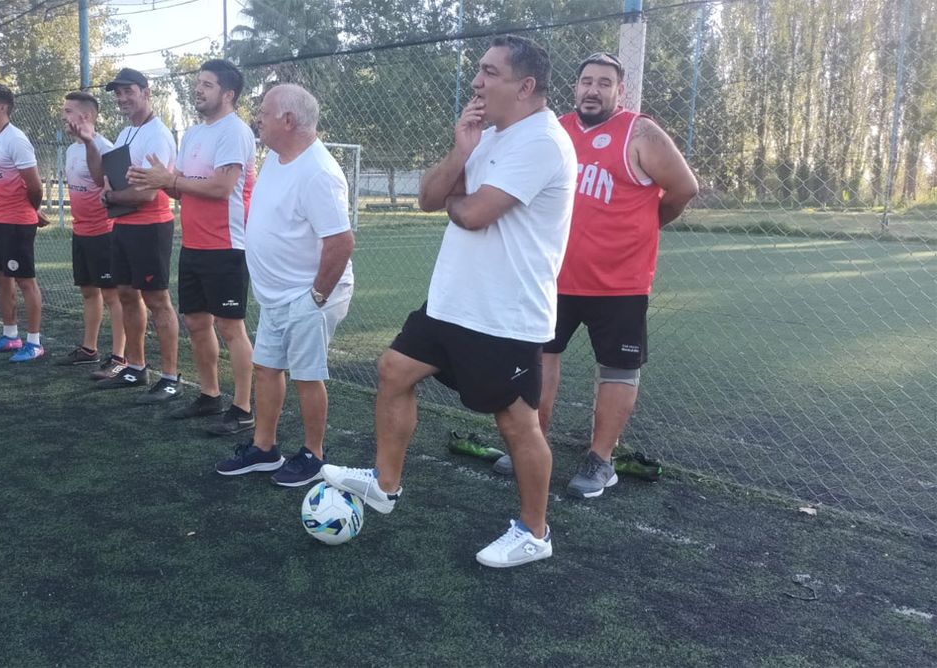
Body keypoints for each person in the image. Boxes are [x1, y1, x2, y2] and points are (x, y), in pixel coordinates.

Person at [320, 36, 577, 568]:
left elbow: (473, 213)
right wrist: (462, 149)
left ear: (525, 86)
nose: (477, 82)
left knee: (516, 422)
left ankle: (534, 532)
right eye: (478, 71)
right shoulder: (488, 136)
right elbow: (429, 198)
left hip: (504, 313)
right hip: (452, 301)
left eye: (489, 72)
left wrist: (456, 195)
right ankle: (384, 486)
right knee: (393, 369)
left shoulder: (542, 141)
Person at [494, 52, 699, 499]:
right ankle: (533, 443)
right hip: (554, 276)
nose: (593, 90)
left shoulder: (640, 133)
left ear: (619, 91)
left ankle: (601, 460)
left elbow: (684, 188)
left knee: (618, 370)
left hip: (620, 284)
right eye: (586, 81)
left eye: (604, 83)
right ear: (575, 87)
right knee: (539, 359)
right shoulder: (555, 129)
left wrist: (646, 226)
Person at [213, 84, 355, 487]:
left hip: (309, 295)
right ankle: (264, 449)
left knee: (307, 374)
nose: (257, 117)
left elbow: (341, 242)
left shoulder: (319, 172)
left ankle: (313, 454)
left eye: (264, 111)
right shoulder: (276, 158)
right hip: (277, 296)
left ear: (288, 120)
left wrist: (316, 298)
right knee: (267, 367)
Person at [128, 59, 256, 432]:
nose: (198, 90)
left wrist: (170, 180)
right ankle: (210, 396)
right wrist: (154, 179)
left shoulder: (234, 132)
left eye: (208, 85)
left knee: (231, 328)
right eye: (198, 83)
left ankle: (243, 408)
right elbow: (178, 186)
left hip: (227, 245)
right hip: (195, 244)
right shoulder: (195, 134)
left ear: (228, 94)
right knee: (197, 323)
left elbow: (220, 188)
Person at [83, 68, 182, 401]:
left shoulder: (158, 134)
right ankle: (136, 367)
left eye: (129, 92)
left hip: (151, 227)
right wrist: (88, 141)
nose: (123, 98)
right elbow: (101, 178)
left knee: (157, 300)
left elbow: (147, 194)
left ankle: (170, 377)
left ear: (146, 92)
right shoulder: (126, 133)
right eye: (118, 93)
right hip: (123, 226)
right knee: (126, 294)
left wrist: (110, 197)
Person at [0, 83, 50, 362]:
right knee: (0, 277)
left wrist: (33, 210)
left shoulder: (16, 139)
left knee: (25, 280)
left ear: (2, 107)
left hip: (17, 222)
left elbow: (34, 185)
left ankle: (34, 342)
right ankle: (10, 336)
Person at [57, 91, 126, 369]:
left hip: (105, 233)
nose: (64, 116)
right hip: (81, 232)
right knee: (88, 291)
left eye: (69, 111)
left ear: (85, 116)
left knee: (112, 295)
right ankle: (90, 348)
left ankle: (120, 355)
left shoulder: (105, 148)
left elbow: (116, 192)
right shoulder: (72, 149)